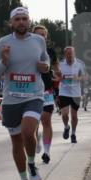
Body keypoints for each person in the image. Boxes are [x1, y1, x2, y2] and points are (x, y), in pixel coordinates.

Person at [0, 7, 50, 180]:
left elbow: (45, 61)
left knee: (28, 131)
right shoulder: (3, 43)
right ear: (11, 23)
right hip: (11, 99)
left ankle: (31, 164)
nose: (21, 22)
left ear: (29, 21)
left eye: (24, 18)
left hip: (34, 96)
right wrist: (4, 62)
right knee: (16, 141)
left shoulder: (38, 40)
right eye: (17, 19)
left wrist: (45, 66)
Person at [32, 25, 58, 163]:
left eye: (43, 35)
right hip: (31, 90)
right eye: (38, 34)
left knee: (46, 120)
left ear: (46, 37)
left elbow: (56, 66)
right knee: (34, 121)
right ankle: (35, 139)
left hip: (46, 90)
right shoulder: (28, 50)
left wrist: (57, 74)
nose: (41, 37)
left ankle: (47, 152)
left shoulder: (50, 52)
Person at [57, 46, 88, 143]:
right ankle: (66, 127)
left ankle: (73, 134)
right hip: (64, 92)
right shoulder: (60, 64)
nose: (70, 56)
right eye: (68, 54)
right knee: (65, 115)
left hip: (76, 93)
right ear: (65, 55)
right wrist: (59, 78)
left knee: (74, 116)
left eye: (71, 54)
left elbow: (85, 76)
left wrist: (78, 78)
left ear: (74, 54)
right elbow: (55, 75)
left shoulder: (80, 64)